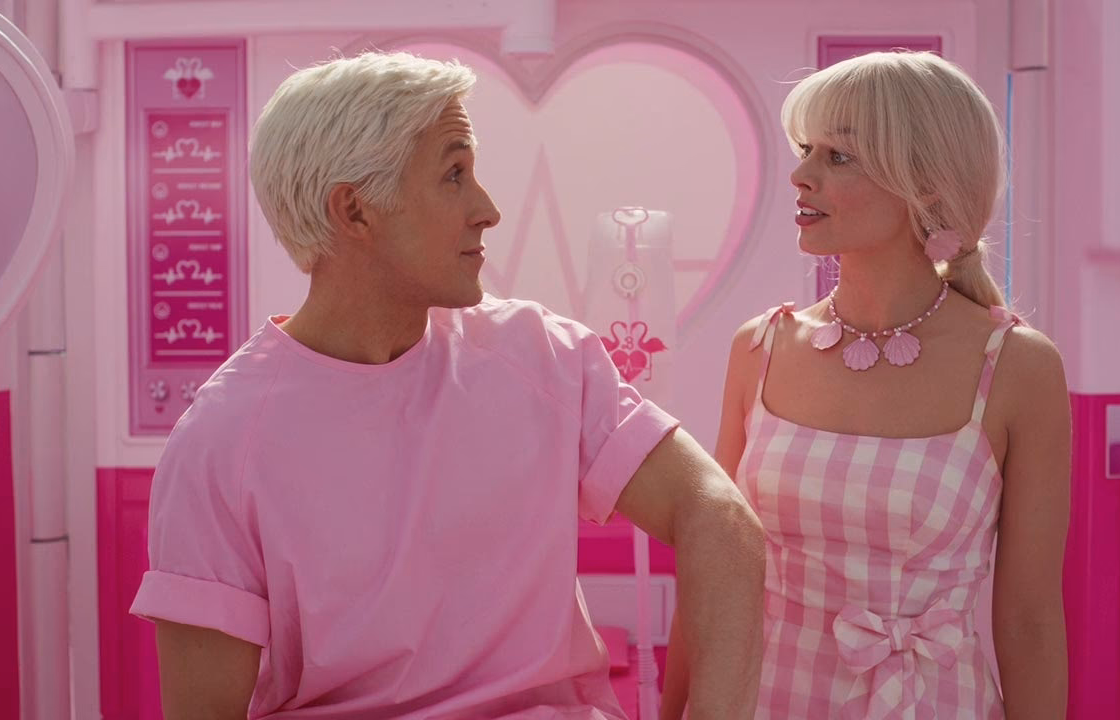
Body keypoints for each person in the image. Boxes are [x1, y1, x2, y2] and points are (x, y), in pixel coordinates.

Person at [129, 51, 764, 720]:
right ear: (355, 211)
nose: (487, 210)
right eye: (454, 174)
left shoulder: (544, 355)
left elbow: (717, 518)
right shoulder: (221, 443)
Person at [661, 51, 1070, 719]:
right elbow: (715, 574)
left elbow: (1029, 621)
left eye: (839, 156)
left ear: (927, 186)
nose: (801, 175)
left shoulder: (1018, 367)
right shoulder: (760, 349)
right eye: (807, 151)